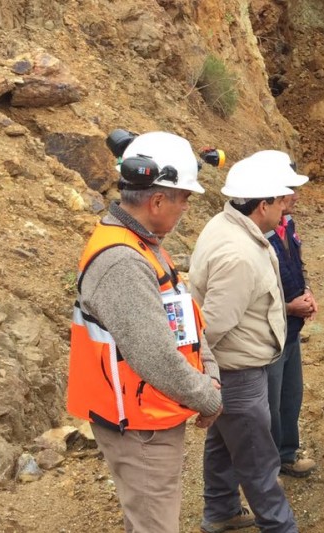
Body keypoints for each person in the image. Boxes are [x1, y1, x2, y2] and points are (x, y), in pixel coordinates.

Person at [66, 130, 223, 533]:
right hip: (138, 424)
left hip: (150, 412)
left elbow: (180, 312)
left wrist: (208, 369)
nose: (186, 208)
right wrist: (205, 395)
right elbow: (153, 353)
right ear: (157, 200)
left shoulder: (142, 242)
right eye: (185, 199)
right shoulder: (123, 260)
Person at [190, 152, 299, 533]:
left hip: (233, 368)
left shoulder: (230, 224)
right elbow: (213, 325)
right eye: (282, 199)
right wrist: (208, 375)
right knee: (258, 459)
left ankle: (221, 513)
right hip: (237, 370)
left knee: (224, 443)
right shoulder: (237, 253)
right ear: (263, 203)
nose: (287, 206)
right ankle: (279, 526)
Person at [262, 150, 319, 478]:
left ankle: (286, 454)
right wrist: (287, 307)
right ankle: (268, 471)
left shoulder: (287, 224)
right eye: (289, 190)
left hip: (291, 329)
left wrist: (307, 291)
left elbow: (297, 264)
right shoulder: (256, 233)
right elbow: (249, 298)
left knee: (290, 396)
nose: (295, 197)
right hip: (270, 332)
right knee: (268, 405)